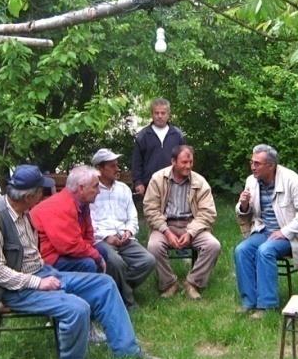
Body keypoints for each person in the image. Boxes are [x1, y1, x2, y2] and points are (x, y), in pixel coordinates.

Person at [0, 165, 161, 359]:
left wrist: (45, 275)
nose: (45, 195)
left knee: (105, 284)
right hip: (15, 290)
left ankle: (128, 353)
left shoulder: (23, 212)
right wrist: (39, 282)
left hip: (42, 273)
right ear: (29, 196)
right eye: (41, 191)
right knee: (77, 308)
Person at [30, 165, 133, 309]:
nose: (98, 191)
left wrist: (96, 253)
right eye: (95, 187)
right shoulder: (63, 206)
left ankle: (107, 299)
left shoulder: (82, 204)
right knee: (88, 263)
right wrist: (96, 257)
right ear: (81, 188)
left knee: (103, 251)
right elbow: (69, 245)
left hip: (63, 251)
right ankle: (85, 307)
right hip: (47, 259)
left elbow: (88, 235)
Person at [234, 144, 298, 319]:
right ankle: (249, 302)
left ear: (271, 165)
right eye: (252, 162)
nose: (253, 167)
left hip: (291, 235)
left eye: (257, 163)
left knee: (265, 250)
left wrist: (285, 231)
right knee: (242, 250)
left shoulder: (292, 180)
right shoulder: (252, 181)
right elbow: (246, 213)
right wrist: (244, 205)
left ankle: (267, 305)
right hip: (263, 230)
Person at [144, 145, 221, 300]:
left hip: (192, 225)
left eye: (191, 162)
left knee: (213, 245)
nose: (188, 166)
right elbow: (150, 209)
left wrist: (191, 232)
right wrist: (166, 231)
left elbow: (208, 212)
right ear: (173, 161)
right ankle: (169, 283)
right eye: (184, 162)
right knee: (154, 246)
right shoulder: (158, 179)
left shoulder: (200, 181)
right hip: (165, 225)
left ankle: (193, 282)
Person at [90, 148, 156, 310]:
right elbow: (88, 222)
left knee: (148, 261)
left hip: (124, 237)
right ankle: (128, 301)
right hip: (101, 239)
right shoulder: (91, 190)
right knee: (116, 262)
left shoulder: (123, 189)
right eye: (112, 166)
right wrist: (106, 237)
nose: (117, 169)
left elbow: (132, 216)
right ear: (100, 168)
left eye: (117, 165)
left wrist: (129, 231)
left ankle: (116, 290)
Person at [132, 98, 185, 196]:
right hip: (150, 185)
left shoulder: (177, 135)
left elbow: (184, 160)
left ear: (168, 114)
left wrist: (185, 178)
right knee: (152, 211)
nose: (159, 116)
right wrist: (138, 182)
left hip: (174, 184)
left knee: (175, 211)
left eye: (163, 113)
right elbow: (137, 162)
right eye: (156, 113)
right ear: (152, 114)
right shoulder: (143, 136)